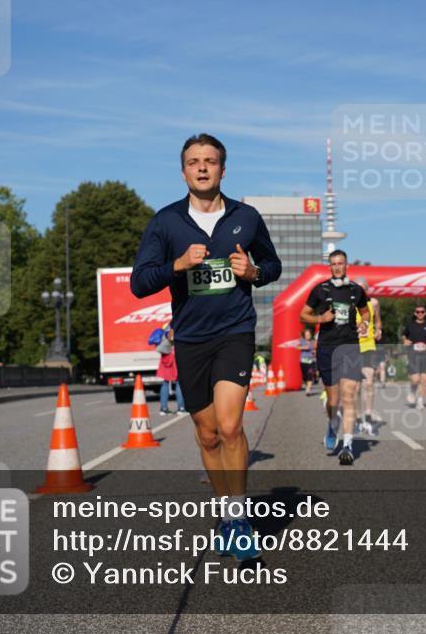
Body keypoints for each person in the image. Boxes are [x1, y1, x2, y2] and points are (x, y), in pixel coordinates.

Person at [130, 133, 281, 561]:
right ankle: (225, 511)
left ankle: (239, 519)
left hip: (235, 331)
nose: (202, 167)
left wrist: (252, 271)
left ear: (222, 169)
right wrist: (177, 265)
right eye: (194, 161)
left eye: (210, 161)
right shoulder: (166, 222)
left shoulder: (246, 217)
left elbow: (273, 265)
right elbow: (139, 283)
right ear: (183, 171)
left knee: (231, 426)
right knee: (208, 433)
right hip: (191, 338)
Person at [299, 249, 370, 466]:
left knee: (349, 397)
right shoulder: (320, 290)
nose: (337, 267)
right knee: (333, 401)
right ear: (329, 267)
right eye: (333, 264)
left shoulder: (356, 290)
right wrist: (322, 317)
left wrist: (364, 322)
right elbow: (303, 314)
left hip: (349, 347)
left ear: (346, 265)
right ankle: (332, 423)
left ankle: (347, 445)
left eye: (341, 263)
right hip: (327, 348)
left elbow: (365, 311)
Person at [354, 277, 382, 436]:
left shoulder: (374, 303)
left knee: (369, 382)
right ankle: (358, 418)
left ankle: (368, 415)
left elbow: (378, 321)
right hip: (352, 347)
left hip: (368, 346)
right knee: (356, 387)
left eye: (362, 288)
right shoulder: (349, 305)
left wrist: (378, 330)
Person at [402, 303, 426, 409]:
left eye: (422, 312)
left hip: (425, 356)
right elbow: (404, 335)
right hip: (413, 356)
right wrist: (405, 340)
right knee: (415, 379)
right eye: (418, 312)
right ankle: (413, 391)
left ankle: (420, 401)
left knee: (424, 379)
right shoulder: (410, 325)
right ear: (415, 313)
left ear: (425, 313)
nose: (420, 314)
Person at [156, 324, 186, 415]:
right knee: (178, 381)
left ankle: (163, 408)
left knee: (166, 382)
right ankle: (181, 408)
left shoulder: (167, 324)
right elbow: (171, 337)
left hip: (165, 355)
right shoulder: (175, 323)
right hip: (172, 355)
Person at [296, 328, 317, 396]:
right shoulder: (301, 341)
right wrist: (304, 347)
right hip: (303, 360)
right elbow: (297, 347)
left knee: (310, 375)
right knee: (305, 376)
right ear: (304, 336)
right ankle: (306, 382)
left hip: (311, 361)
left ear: (311, 335)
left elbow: (316, 348)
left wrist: (315, 351)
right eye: (306, 335)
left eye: (309, 335)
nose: (308, 336)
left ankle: (308, 390)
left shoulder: (313, 341)